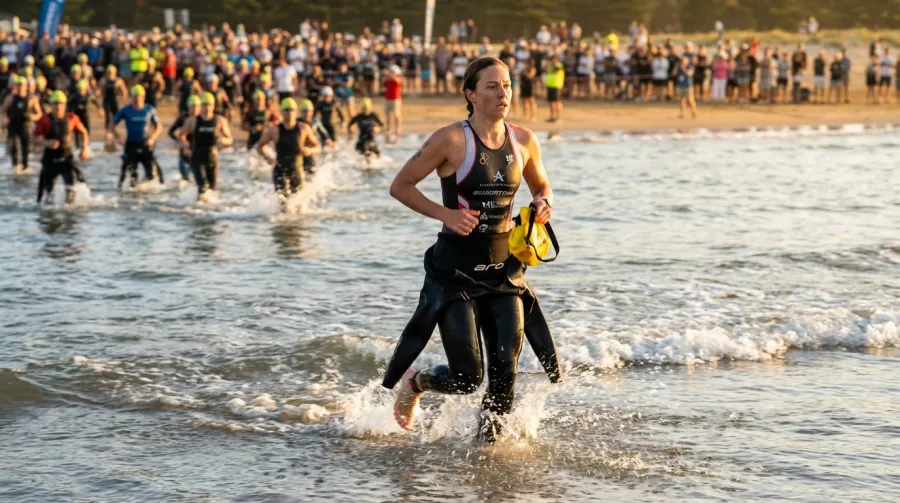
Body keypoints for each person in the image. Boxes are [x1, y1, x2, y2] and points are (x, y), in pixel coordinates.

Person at [384, 57, 561, 443]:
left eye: (508, 85)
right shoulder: (450, 139)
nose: (503, 94)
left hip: (504, 272)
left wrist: (544, 203)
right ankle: (416, 383)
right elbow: (401, 186)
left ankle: (488, 458)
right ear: (471, 93)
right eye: (493, 86)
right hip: (455, 274)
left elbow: (541, 185)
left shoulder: (525, 140)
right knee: (467, 377)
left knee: (505, 376)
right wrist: (445, 214)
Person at [255, 97, 320, 199]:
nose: (290, 113)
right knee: (283, 201)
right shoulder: (274, 130)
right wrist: (268, 158)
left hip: (297, 170)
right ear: (281, 112)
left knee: (296, 202)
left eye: (292, 110)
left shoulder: (304, 128)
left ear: (296, 111)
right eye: (287, 110)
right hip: (280, 170)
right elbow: (259, 146)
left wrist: (310, 150)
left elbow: (317, 147)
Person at [33, 91, 90, 204]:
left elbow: (83, 132)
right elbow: (34, 137)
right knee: (46, 193)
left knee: (72, 187)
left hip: (66, 158)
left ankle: (69, 210)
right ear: (51, 105)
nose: (58, 106)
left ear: (65, 105)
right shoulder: (45, 119)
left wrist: (84, 148)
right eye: (55, 104)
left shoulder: (72, 118)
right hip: (50, 159)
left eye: (61, 104)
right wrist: (46, 142)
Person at [180, 92, 234, 200]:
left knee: (212, 188)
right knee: (202, 186)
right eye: (204, 105)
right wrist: (185, 147)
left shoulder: (219, 120)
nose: (207, 108)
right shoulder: (193, 120)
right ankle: (198, 208)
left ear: (214, 106)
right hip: (197, 156)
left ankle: (209, 211)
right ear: (201, 105)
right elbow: (181, 135)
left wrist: (223, 140)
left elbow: (230, 139)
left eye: (209, 105)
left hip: (212, 156)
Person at [110, 85, 163, 188]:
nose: (137, 99)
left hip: (145, 143)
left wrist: (152, 138)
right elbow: (112, 125)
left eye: (139, 96)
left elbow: (159, 127)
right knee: (130, 174)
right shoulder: (125, 110)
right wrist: (119, 138)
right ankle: (128, 192)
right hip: (131, 144)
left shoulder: (149, 109)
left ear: (143, 97)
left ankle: (149, 191)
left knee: (152, 172)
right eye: (135, 96)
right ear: (131, 97)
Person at [2, 77, 43, 171]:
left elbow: (39, 114)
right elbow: (3, 110)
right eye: (19, 85)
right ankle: (15, 167)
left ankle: (25, 167)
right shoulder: (11, 97)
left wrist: (32, 117)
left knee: (26, 149)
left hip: (25, 126)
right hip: (13, 126)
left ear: (26, 86)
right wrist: (5, 118)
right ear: (16, 86)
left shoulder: (31, 99)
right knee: (15, 147)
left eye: (22, 85)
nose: (20, 87)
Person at [168, 94, 200, 181]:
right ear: (188, 106)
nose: (195, 109)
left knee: (197, 175)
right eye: (192, 106)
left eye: (197, 106)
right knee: (185, 177)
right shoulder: (182, 117)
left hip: (198, 149)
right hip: (184, 149)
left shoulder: (201, 118)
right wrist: (179, 141)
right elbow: (170, 132)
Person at [67, 80, 99, 151]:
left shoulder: (89, 96)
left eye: (82, 90)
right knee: (77, 132)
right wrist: (70, 112)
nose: (81, 91)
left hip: (86, 115)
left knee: (86, 130)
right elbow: (69, 105)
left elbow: (96, 102)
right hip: (77, 116)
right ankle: (77, 146)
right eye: (79, 90)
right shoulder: (74, 96)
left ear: (86, 89)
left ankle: (86, 145)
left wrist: (100, 109)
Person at [97, 65, 127, 129]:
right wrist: (98, 93)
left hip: (114, 101)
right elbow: (99, 89)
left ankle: (114, 129)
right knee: (107, 115)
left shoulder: (118, 80)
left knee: (116, 115)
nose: (110, 74)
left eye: (111, 72)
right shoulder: (104, 80)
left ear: (115, 72)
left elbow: (124, 90)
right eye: (109, 72)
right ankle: (107, 129)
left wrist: (122, 96)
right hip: (106, 100)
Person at [383, 65, 403, 144]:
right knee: (388, 115)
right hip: (387, 98)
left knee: (396, 115)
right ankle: (388, 129)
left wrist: (389, 75)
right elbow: (383, 82)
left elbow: (396, 81)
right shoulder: (387, 79)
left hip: (396, 99)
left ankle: (398, 129)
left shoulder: (398, 78)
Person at [544, 55, 564, 122]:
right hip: (550, 85)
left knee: (557, 102)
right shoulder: (550, 66)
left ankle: (559, 117)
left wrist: (548, 65)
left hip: (556, 86)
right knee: (551, 102)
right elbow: (545, 70)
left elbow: (554, 70)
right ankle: (552, 116)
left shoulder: (559, 65)